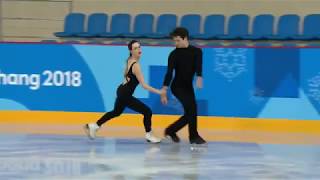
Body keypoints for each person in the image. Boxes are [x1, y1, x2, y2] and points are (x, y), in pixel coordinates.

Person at [85, 40, 161, 143]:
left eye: (139, 47)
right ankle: (149, 135)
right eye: (135, 48)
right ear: (131, 51)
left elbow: (126, 75)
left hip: (121, 91)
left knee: (116, 112)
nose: (139, 49)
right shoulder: (136, 66)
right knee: (147, 111)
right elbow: (144, 85)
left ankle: (94, 126)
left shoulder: (129, 60)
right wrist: (159, 92)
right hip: (125, 94)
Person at [160, 27, 206, 144]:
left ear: (185, 38)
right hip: (177, 87)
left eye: (178, 40)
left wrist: (200, 77)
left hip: (188, 86)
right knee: (191, 110)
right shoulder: (173, 55)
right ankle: (193, 137)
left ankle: (171, 130)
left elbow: (198, 66)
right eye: (174, 41)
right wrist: (164, 90)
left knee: (191, 112)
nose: (176, 43)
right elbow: (169, 73)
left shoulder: (197, 51)